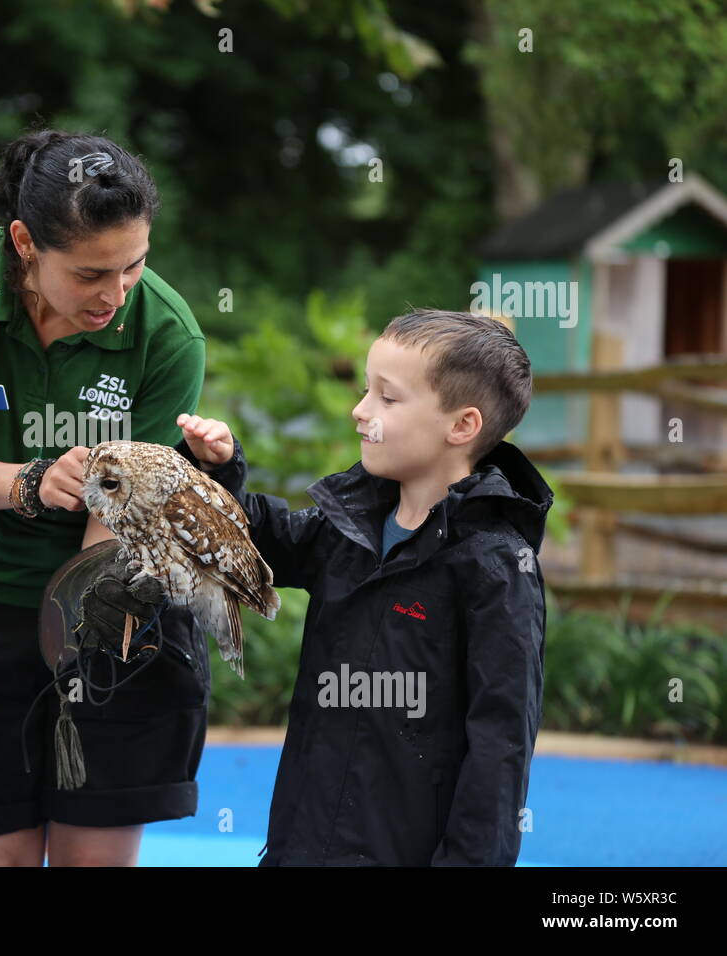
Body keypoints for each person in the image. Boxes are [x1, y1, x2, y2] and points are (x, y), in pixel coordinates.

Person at [0, 129, 209, 866]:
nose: (116, 293)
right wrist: (28, 484)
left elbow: (115, 525)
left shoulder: (169, 336)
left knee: (89, 860)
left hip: (107, 610)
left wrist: (79, 645)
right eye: (93, 273)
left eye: (135, 264)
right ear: (25, 242)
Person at [174, 309, 554, 866]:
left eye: (387, 398)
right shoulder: (349, 522)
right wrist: (218, 471)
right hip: (304, 841)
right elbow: (256, 545)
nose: (359, 411)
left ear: (463, 426)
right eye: (365, 391)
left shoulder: (495, 567)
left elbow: (501, 747)